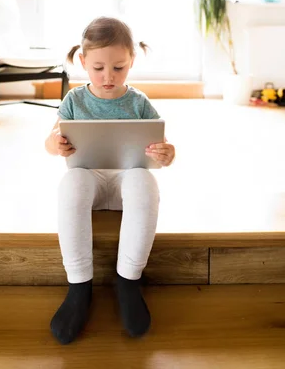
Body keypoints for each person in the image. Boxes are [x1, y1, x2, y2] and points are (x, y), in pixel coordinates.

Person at [45, 17, 175, 344]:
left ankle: (128, 281)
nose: (108, 77)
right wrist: (54, 143)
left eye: (118, 68)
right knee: (70, 185)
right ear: (83, 62)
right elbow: (51, 138)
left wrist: (167, 153)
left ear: (131, 61)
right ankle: (79, 286)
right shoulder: (74, 101)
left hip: (126, 183)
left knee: (146, 184)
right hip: (86, 179)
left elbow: (161, 145)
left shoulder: (139, 102)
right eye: (99, 68)